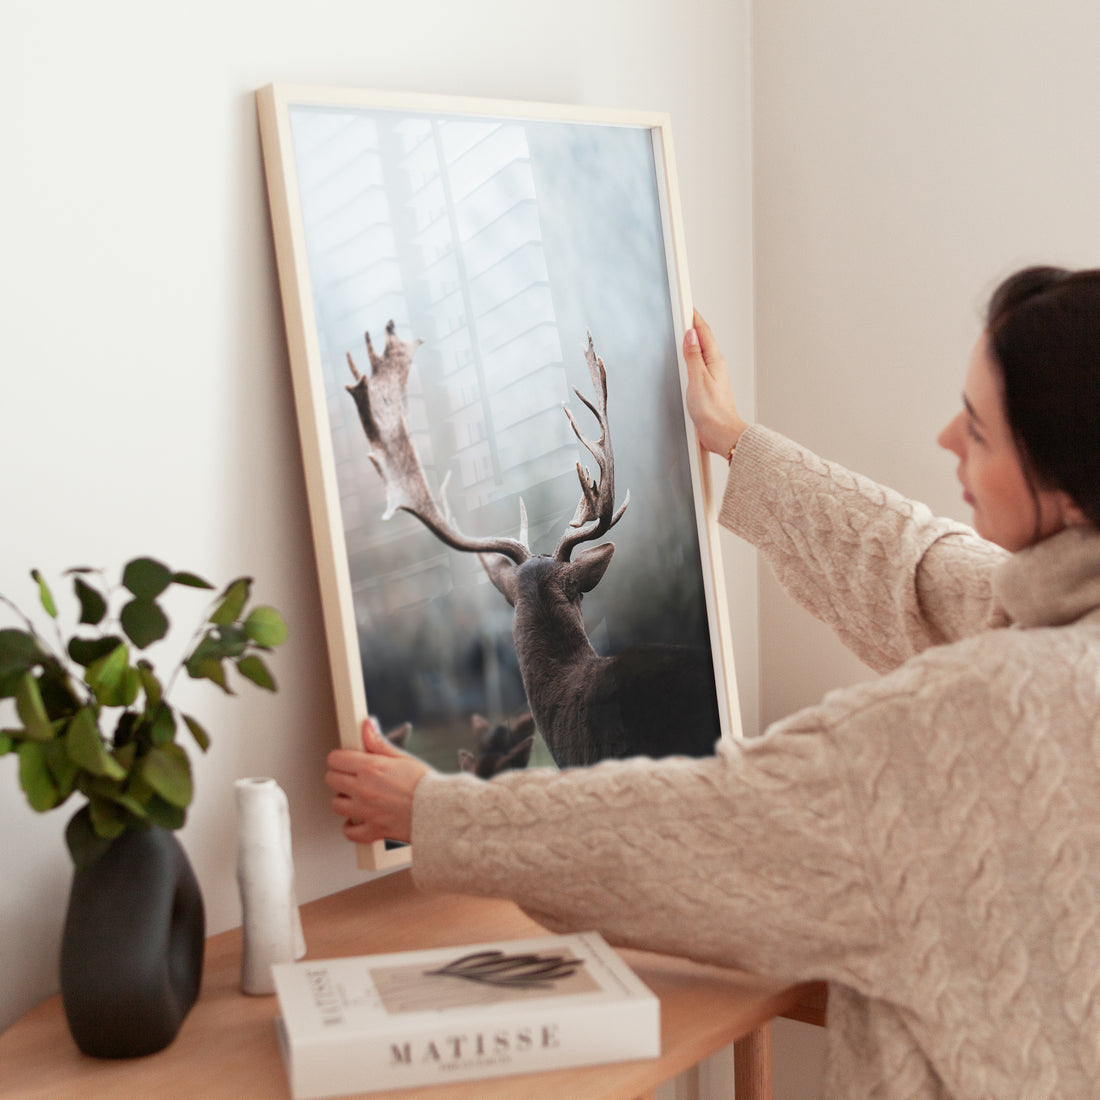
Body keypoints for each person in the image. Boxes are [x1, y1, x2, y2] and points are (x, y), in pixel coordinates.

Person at [325, 265, 1100, 1098]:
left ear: (1067, 489)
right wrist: (734, 441)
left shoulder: (973, 722)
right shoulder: (1062, 619)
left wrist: (435, 812)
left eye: (979, 430)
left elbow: (702, 829)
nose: (947, 437)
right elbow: (919, 570)